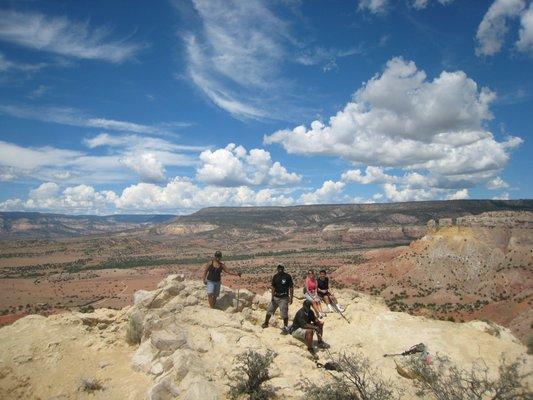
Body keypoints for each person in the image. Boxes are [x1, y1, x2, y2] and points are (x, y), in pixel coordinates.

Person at [262, 264, 294, 331]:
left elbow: (291, 287)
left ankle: (285, 327)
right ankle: (266, 323)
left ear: (283, 269)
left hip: (284, 298)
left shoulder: (287, 276)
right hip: (276, 297)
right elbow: (273, 287)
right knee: (269, 311)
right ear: (277, 269)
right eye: (279, 269)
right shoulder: (275, 277)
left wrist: (291, 297)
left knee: (284, 313)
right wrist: (272, 297)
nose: (280, 270)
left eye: (281, 269)